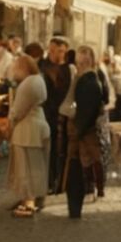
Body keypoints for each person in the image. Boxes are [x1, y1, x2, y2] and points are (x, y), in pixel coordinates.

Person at [62, 45, 105, 219]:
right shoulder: (86, 79)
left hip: (82, 132)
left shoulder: (89, 81)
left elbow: (86, 110)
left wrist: (77, 131)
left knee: (79, 168)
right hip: (83, 130)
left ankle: (76, 207)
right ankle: (87, 194)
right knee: (84, 166)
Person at [6, 54, 50, 218]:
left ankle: (28, 202)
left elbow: (18, 111)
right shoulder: (39, 80)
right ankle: (33, 200)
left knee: (26, 168)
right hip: (38, 125)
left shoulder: (27, 83)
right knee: (36, 166)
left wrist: (10, 122)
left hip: (27, 130)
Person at [40, 36, 71, 193]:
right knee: (49, 149)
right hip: (47, 114)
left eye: (58, 51)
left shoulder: (68, 69)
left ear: (64, 51)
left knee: (62, 149)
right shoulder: (42, 67)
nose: (54, 54)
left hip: (63, 114)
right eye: (51, 50)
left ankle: (61, 181)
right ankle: (50, 180)